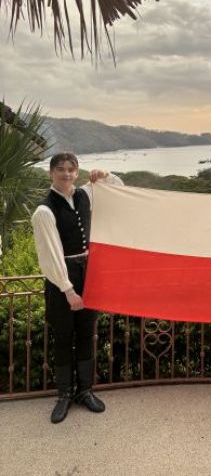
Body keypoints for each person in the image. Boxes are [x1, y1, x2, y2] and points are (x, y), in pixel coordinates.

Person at [31, 152, 123, 424]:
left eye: (71, 169)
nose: (67, 174)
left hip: (89, 273)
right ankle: (64, 395)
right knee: (63, 337)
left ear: (77, 172)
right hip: (62, 278)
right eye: (61, 169)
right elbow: (50, 256)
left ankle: (85, 391)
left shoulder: (86, 194)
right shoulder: (44, 211)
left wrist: (105, 175)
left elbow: (119, 191)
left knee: (86, 334)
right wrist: (68, 290)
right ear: (51, 173)